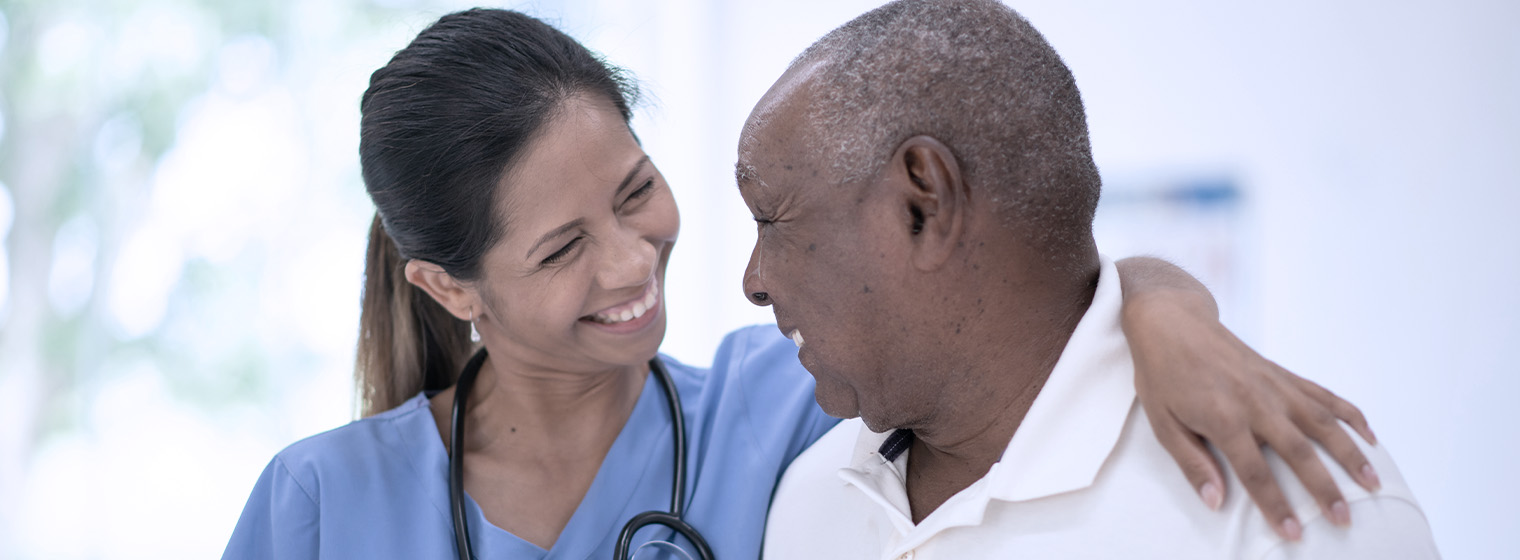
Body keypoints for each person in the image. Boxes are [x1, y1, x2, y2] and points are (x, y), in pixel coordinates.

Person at [224, 8, 1381, 560]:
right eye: (561, 248)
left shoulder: (778, 405)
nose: (633, 264)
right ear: (449, 285)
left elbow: (1013, 293)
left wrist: (1162, 306)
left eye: (635, 192)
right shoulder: (318, 505)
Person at [750, 1, 1439, 558]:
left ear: (923, 204)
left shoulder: (1298, 516)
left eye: (771, 220)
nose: (754, 280)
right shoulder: (809, 501)